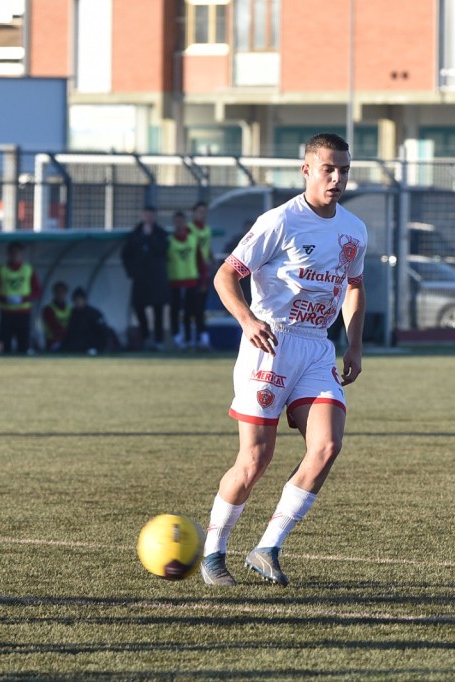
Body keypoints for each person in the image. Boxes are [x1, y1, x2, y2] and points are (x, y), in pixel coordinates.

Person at [200, 132, 368, 587]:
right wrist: (246, 320)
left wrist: (353, 344)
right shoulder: (279, 221)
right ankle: (214, 553)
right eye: (328, 168)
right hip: (271, 346)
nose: (337, 177)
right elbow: (225, 276)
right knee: (254, 460)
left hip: (317, 347)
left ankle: (268, 546)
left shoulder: (355, 229)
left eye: (344, 169)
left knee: (327, 447)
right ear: (307, 170)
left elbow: (354, 286)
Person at [121, 206, 169, 350]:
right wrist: (131, 272)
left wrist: (150, 238)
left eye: (151, 215)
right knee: (139, 307)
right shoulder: (135, 234)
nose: (148, 218)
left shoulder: (160, 233)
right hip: (140, 278)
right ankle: (145, 337)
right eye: (146, 215)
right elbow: (125, 255)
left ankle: (159, 340)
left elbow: (163, 250)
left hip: (157, 279)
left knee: (158, 309)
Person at [0, 241, 42, 355]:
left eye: (18, 253)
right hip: (6, 312)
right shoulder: (1, 270)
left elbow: (37, 291)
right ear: (8, 254)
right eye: (13, 253)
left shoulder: (28, 269)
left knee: (23, 343)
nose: (15, 255)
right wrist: (5, 299)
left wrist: (23, 299)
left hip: (23, 311)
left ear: (22, 254)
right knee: (5, 343)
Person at [166, 210, 205, 350]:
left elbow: (199, 260)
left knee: (192, 311)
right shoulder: (169, 240)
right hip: (175, 281)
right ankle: (177, 338)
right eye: (176, 221)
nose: (179, 224)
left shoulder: (192, 239)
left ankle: (191, 339)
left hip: (191, 281)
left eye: (181, 221)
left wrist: (203, 279)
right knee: (175, 312)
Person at [189, 201, 214, 349]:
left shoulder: (207, 229)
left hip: (204, 273)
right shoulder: (190, 229)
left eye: (204, 212)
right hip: (193, 273)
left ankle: (201, 338)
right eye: (199, 212)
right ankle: (194, 338)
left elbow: (207, 247)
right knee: (193, 307)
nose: (202, 215)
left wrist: (211, 259)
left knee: (201, 306)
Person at [62, 287, 113, 354]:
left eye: (79, 299)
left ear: (84, 300)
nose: (77, 302)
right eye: (75, 300)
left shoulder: (94, 314)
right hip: (76, 348)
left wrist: (100, 348)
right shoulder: (72, 314)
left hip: (93, 347)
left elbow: (104, 332)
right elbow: (69, 333)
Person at [41, 281, 72, 351]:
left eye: (63, 292)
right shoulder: (48, 309)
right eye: (58, 292)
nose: (60, 295)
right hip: (53, 342)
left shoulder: (69, 309)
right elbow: (55, 328)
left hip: (66, 340)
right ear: (54, 293)